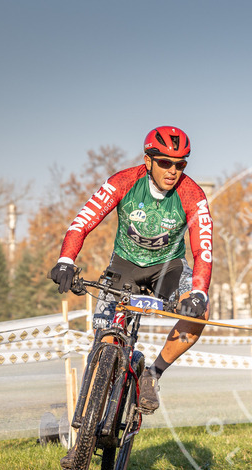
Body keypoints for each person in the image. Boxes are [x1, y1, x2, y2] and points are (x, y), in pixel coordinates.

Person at [48, 125, 213, 417]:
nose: (173, 170)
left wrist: (198, 293)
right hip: (125, 265)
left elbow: (203, 250)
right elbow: (83, 221)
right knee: (104, 345)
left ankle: (153, 373)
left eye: (180, 164)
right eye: (164, 162)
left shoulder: (192, 194)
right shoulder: (124, 181)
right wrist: (66, 260)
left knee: (201, 312)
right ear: (148, 160)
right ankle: (84, 431)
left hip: (168, 267)